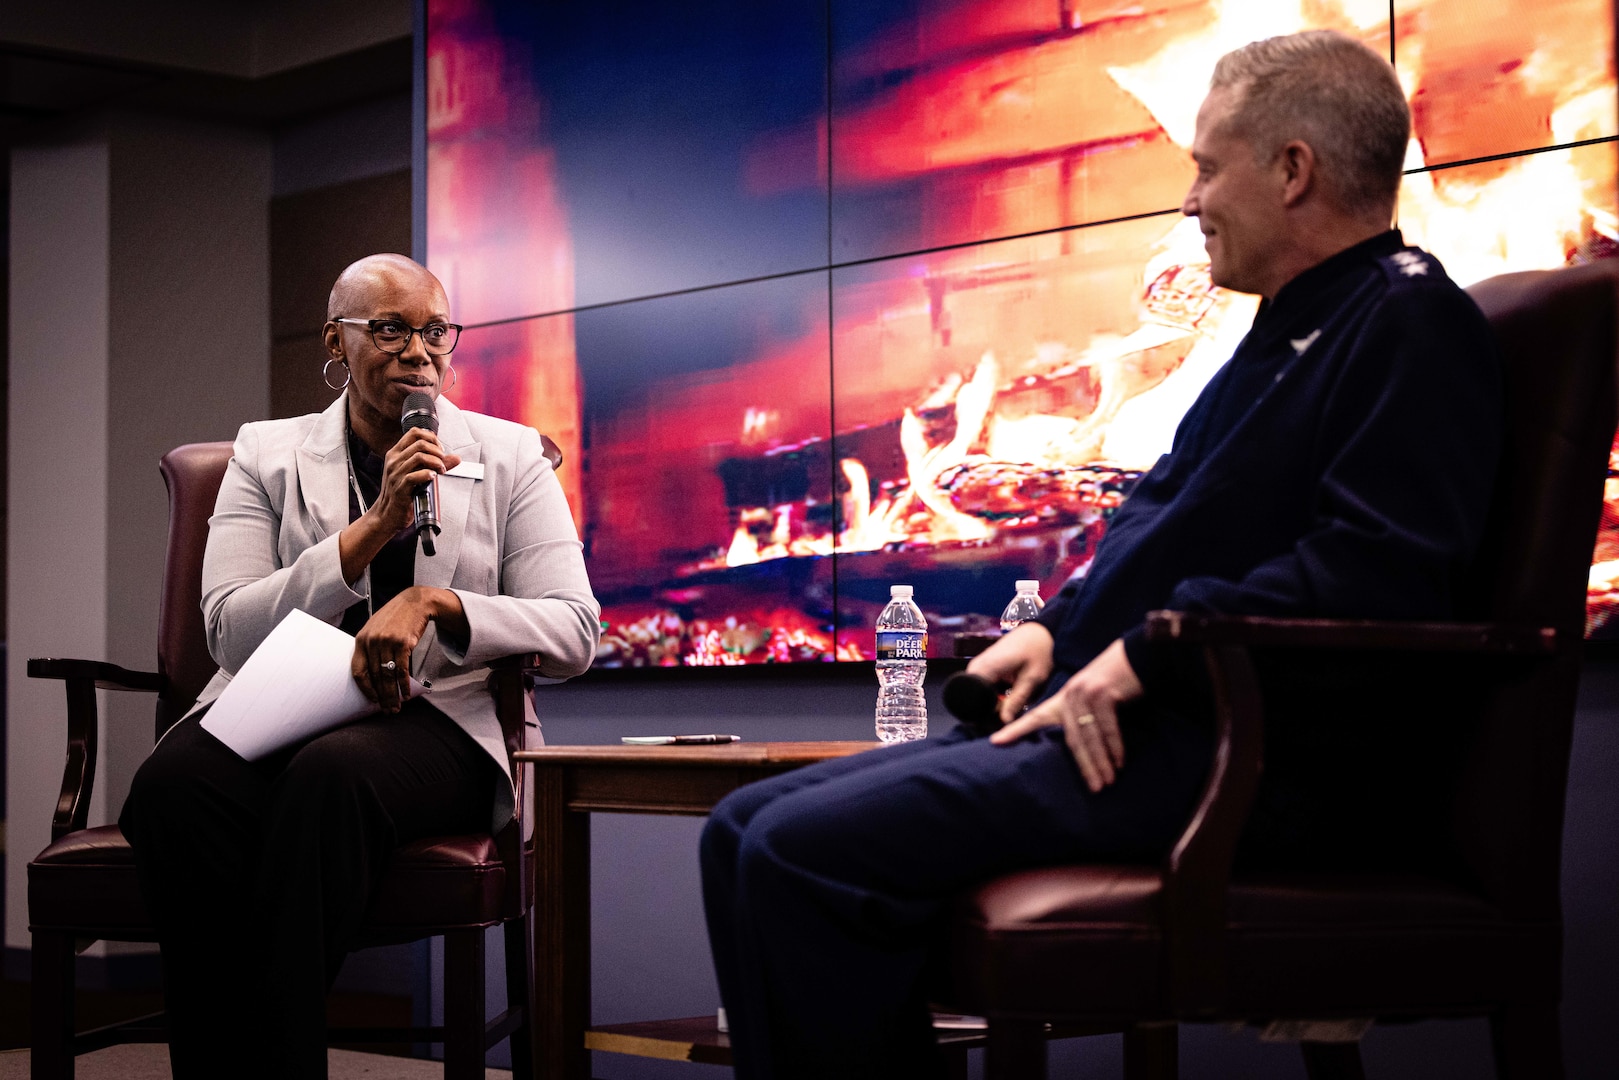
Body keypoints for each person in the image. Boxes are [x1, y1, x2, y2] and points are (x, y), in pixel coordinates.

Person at [700, 29, 1503, 1080]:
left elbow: (1383, 570)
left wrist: (1154, 651)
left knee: (799, 856)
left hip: (1249, 758)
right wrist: (1052, 632)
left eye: (1206, 167)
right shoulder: (1280, 333)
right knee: (737, 827)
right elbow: (1157, 518)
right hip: (1149, 725)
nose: (1187, 201)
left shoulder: (1406, 322)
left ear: (1292, 169)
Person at [119, 253, 600, 1079]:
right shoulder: (264, 454)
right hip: (280, 706)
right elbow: (228, 631)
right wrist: (370, 530)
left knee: (331, 777)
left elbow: (575, 628)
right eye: (388, 329)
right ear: (335, 342)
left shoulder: (513, 455)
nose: (418, 351)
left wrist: (440, 606)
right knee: (171, 789)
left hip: (436, 720)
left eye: (434, 331)